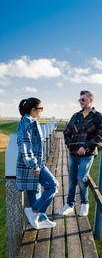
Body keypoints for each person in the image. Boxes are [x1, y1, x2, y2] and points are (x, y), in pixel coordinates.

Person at [60, 90, 102, 217]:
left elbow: (101, 136)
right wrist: (70, 145)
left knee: (81, 177)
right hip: (73, 152)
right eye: (79, 100)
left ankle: (85, 203)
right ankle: (70, 204)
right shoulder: (75, 116)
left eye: (83, 99)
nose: (80, 102)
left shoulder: (98, 116)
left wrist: (85, 146)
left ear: (90, 100)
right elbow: (66, 132)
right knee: (72, 179)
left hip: (88, 153)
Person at [16, 97, 58, 229]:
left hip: (36, 163)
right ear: (33, 109)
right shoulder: (27, 123)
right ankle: (34, 210)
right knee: (53, 185)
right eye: (41, 109)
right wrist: (34, 165)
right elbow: (25, 146)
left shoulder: (32, 121)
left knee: (35, 190)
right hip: (32, 165)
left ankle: (41, 218)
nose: (42, 111)